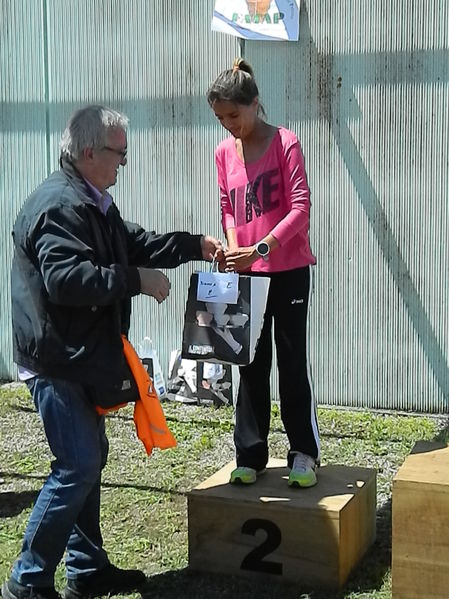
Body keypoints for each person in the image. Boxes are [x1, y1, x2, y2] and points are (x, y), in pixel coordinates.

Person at [4, 105, 222, 599]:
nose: (123, 163)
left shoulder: (91, 202)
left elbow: (134, 244)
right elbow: (65, 281)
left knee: (90, 458)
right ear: (87, 153)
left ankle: (84, 568)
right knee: (77, 465)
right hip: (56, 360)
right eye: (118, 154)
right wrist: (135, 282)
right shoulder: (61, 206)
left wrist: (195, 245)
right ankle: (28, 580)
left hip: (76, 353)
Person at [207, 58, 320, 488]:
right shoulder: (222, 153)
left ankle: (304, 453)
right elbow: (226, 206)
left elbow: (300, 208)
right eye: (220, 119)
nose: (228, 126)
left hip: (288, 270)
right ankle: (250, 455)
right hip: (246, 273)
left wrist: (260, 248)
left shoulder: (285, 143)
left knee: (291, 363)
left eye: (234, 115)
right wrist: (234, 245)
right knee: (250, 365)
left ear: (255, 104)